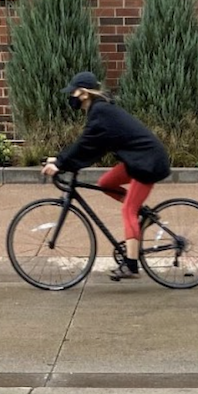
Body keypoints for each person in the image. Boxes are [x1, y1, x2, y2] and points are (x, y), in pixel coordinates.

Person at [42, 71, 171, 281]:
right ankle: (143, 214)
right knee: (105, 183)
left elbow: (85, 145)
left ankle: (131, 265)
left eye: (73, 92)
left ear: (83, 93)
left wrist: (60, 163)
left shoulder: (100, 112)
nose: (71, 97)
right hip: (137, 160)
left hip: (147, 163)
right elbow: (90, 145)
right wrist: (59, 160)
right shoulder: (99, 111)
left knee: (127, 210)